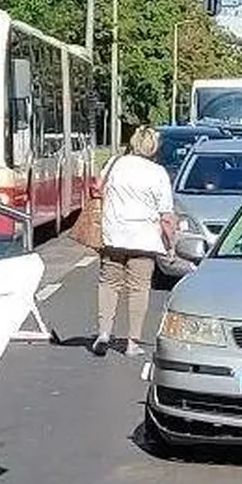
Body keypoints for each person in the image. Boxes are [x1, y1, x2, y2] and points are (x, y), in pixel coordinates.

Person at [93, 125, 177, 357]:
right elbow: (166, 216)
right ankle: (132, 343)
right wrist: (170, 244)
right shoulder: (158, 173)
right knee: (138, 289)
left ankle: (103, 334)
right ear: (153, 148)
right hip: (144, 239)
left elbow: (97, 190)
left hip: (113, 235)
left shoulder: (114, 164)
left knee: (109, 284)